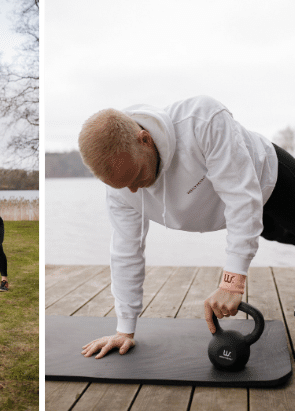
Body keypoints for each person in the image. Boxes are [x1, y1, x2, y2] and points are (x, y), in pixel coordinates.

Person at [77, 96, 295, 360]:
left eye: (135, 177)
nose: (134, 190)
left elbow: (242, 200)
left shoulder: (202, 121)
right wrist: (125, 329)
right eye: (123, 186)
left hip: (272, 181)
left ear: (145, 140)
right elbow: (126, 253)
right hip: (235, 216)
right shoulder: (122, 191)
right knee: (281, 236)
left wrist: (232, 282)